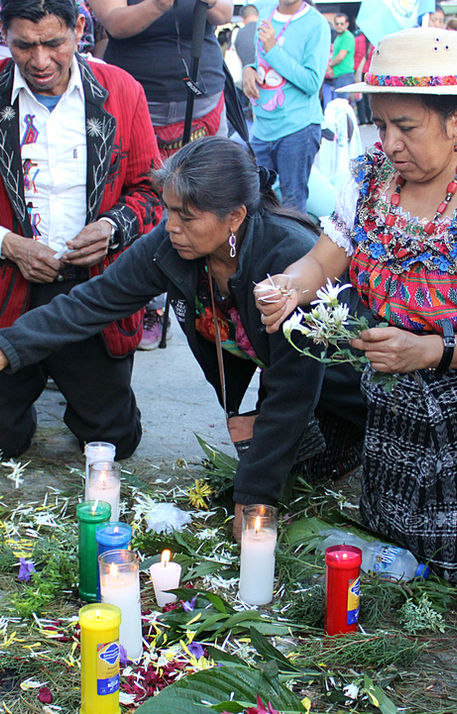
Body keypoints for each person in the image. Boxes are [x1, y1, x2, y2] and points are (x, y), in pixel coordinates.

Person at [0, 138, 365, 539]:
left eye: (187, 217)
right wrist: (9, 346)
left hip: (348, 386)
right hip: (287, 387)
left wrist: (254, 496)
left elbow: (293, 389)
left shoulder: (287, 258)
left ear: (235, 217)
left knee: (307, 488)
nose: (171, 226)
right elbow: (93, 302)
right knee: (280, 468)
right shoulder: (172, 246)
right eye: (170, 210)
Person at [254, 27, 457, 582]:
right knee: (389, 536)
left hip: (447, 392)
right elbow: (323, 260)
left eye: (407, 127)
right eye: (382, 123)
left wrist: (435, 351)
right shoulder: (370, 180)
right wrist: (289, 286)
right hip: (392, 393)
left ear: (454, 121)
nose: (389, 142)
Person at [0, 0, 162, 461]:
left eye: (53, 43)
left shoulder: (120, 90)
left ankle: (71, 385)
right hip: (9, 288)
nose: (40, 61)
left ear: (79, 29)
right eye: (23, 46)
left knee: (113, 442)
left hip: (90, 292)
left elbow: (153, 193)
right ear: (4, 34)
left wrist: (112, 228)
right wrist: (8, 243)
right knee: (1, 441)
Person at [89, 0, 233, 349]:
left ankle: (215, 301)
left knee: (208, 202)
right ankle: (148, 305)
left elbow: (224, 14)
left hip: (203, 96)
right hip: (138, 97)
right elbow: (114, 22)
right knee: (144, 202)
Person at [242, 0, 330, 212]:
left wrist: (273, 50)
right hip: (262, 129)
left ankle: (294, 246)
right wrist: (249, 69)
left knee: (292, 205)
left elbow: (312, 83)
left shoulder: (316, 24)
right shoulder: (265, 13)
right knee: (256, 203)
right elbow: (261, 62)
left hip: (298, 128)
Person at [329, 13, 354, 100]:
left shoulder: (347, 37)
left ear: (347, 24)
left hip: (345, 75)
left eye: (342, 24)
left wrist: (330, 66)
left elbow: (340, 56)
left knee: (342, 104)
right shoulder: (338, 37)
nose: (339, 26)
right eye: (337, 24)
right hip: (338, 75)